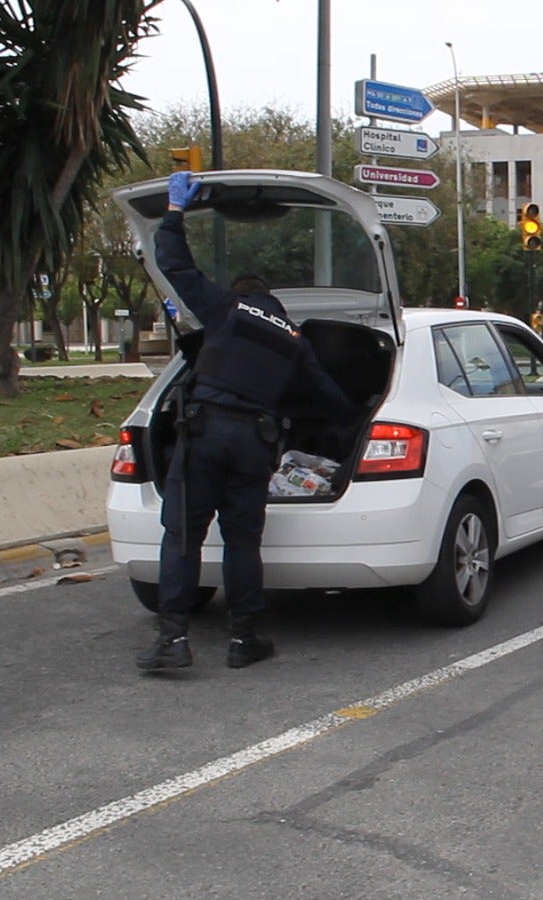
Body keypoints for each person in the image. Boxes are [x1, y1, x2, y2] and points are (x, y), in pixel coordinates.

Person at [138, 171, 354, 671]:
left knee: (183, 536)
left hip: (206, 433)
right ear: (276, 303)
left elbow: (175, 265)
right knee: (242, 541)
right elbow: (330, 400)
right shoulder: (296, 341)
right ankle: (245, 639)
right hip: (256, 444)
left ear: (242, 292)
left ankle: (173, 640)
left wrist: (174, 213)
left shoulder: (227, 310)